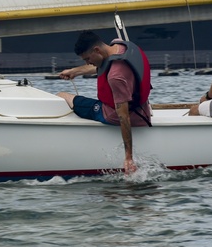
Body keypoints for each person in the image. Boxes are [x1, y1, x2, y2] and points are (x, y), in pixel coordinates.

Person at [57, 31, 153, 174]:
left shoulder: (116, 76)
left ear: (97, 50)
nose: (87, 62)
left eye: (88, 58)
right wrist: (75, 71)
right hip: (143, 108)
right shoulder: (118, 45)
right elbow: (102, 65)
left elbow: (123, 117)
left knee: (62, 96)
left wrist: (128, 158)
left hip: (114, 114)